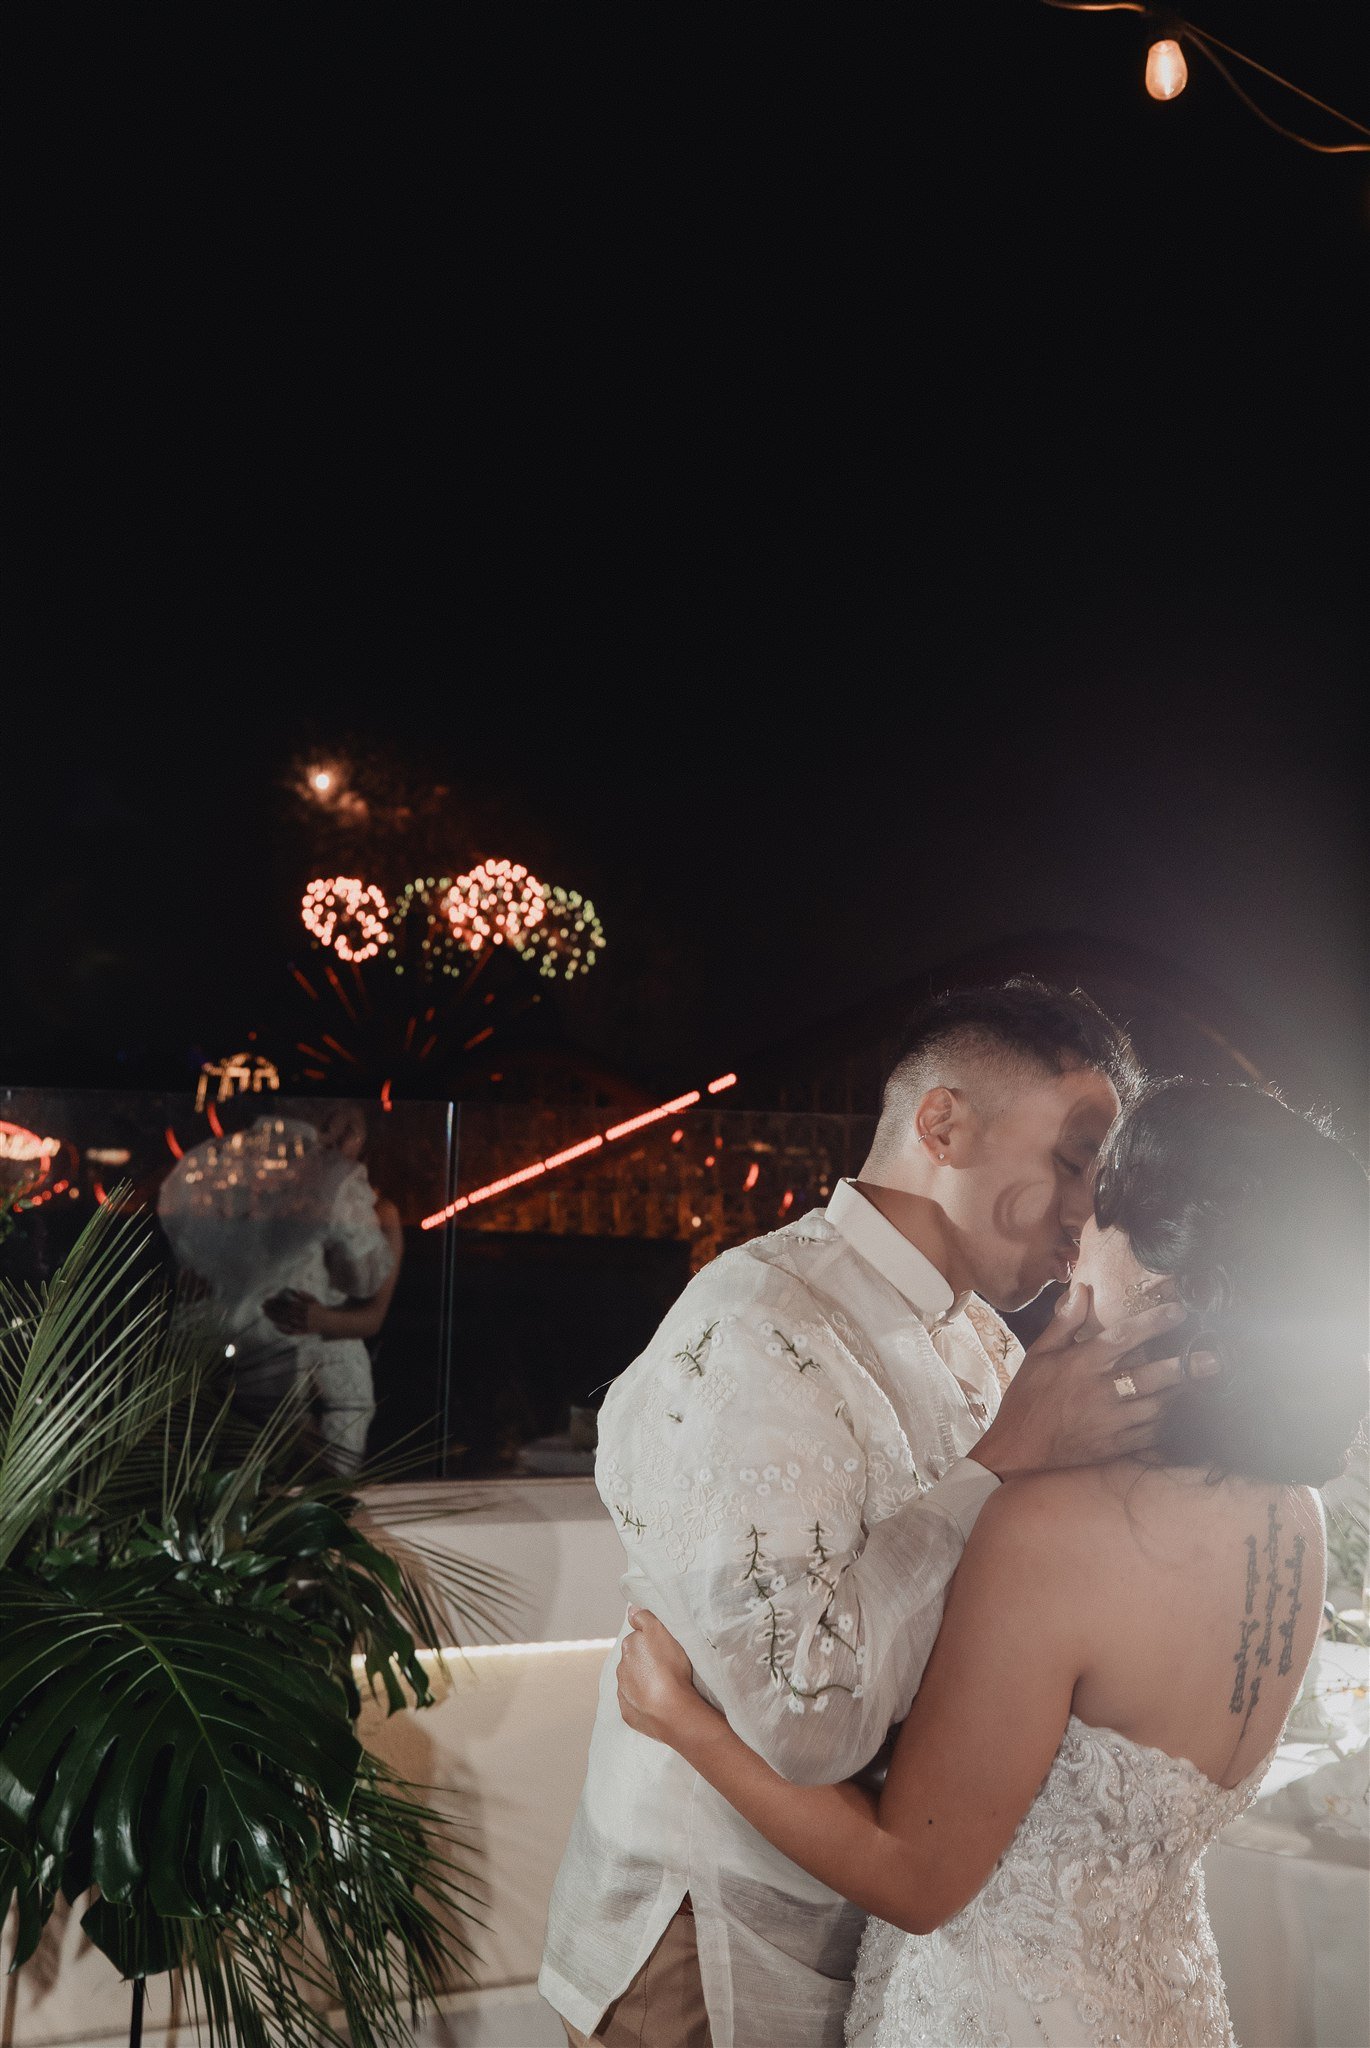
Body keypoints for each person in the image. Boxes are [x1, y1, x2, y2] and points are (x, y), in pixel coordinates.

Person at [618, 1078, 1369, 2047]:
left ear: (1162, 1285)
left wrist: (680, 1718)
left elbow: (914, 1875)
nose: (1070, 1245)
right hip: (1160, 2009)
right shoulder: (1293, 1517)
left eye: (1096, 1213)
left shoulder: (1051, 1527)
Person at [540, 979, 1196, 2048]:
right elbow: (805, 1714)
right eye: (1072, 1159)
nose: (1087, 1208)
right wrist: (1004, 1458)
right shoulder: (752, 1324)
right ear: (940, 1122)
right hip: (706, 1950)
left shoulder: (984, 1342)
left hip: (875, 1931)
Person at [262, 1103, 403, 1473]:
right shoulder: (279, 1198)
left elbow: (373, 1318)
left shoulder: (382, 1213)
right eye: (328, 1126)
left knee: (334, 1464)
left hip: (337, 1361)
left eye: (350, 1129)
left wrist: (316, 1319)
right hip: (275, 1361)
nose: (337, 1139)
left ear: (365, 1140)